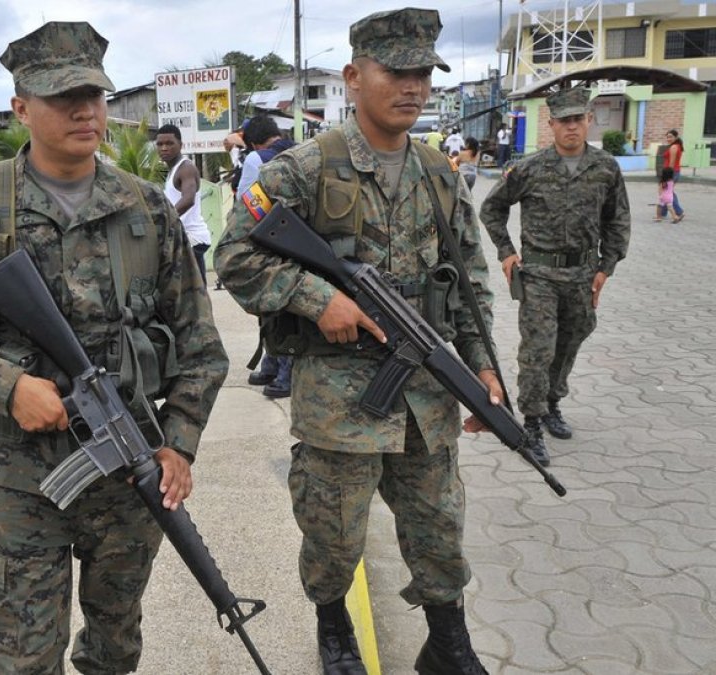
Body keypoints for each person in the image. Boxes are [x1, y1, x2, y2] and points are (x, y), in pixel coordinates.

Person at [0, 21, 228, 674]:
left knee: (115, 648)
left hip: (128, 473)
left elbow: (202, 346)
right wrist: (4, 382)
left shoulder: (145, 209)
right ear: (21, 107)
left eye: (94, 93)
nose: (84, 109)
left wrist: (180, 442)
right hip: (19, 484)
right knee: (24, 659)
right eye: (62, 96)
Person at [216, 8, 500, 674]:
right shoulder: (306, 168)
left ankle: (448, 642)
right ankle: (333, 621)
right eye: (396, 71)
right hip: (340, 403)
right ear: (352, 76)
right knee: (333, 535)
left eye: (423, 72)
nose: (413, 86)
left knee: (438, 528)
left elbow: (469, 279)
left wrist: (485, 369)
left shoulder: (438, 172)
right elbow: (232, 255)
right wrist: (321, 300)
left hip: (425, 399)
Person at [480, 86, 631, 467]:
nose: (572, 127)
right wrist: (506, 253)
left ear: (588, 121)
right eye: (564, 121)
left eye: (578, 119)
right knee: (538, 349)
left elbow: (618, 220)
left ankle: (552, 404)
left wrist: (605, 268)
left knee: (570, 341)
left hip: (583, 274)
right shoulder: (530, 168)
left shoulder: (606, 168)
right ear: (551, 125)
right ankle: (530, 423)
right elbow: (492, 209)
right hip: (540, 276)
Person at [237, 114, 297, 399]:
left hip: (268, 239)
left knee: (270, 307)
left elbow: (245, 201)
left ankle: (280, 371)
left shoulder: (255, 159)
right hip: (299, 241)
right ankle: (274, 366)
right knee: (289, 305)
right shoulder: (300, 150)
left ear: (252, 140)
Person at [156, 124, 214, 285]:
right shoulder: (173, 170)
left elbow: (188, 200)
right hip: (185, 238)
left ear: (180, 145)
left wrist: (164, 219)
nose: (164, 148)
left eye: (169, 143)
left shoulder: (186, 168)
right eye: (160, 144)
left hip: (191, 238)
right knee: (195, 293)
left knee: (193, 293)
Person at [659, 129, 685, 221]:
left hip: (671, 173)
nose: (668, 139)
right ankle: (663, 213)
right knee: (669, 192)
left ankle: (679, 212)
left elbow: (672, 163)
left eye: (670, 137)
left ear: (676, 137)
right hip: (674, 172)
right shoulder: (677, 146)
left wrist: (667, 176)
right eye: (667, 137)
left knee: (667, 193)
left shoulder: (674, 147)